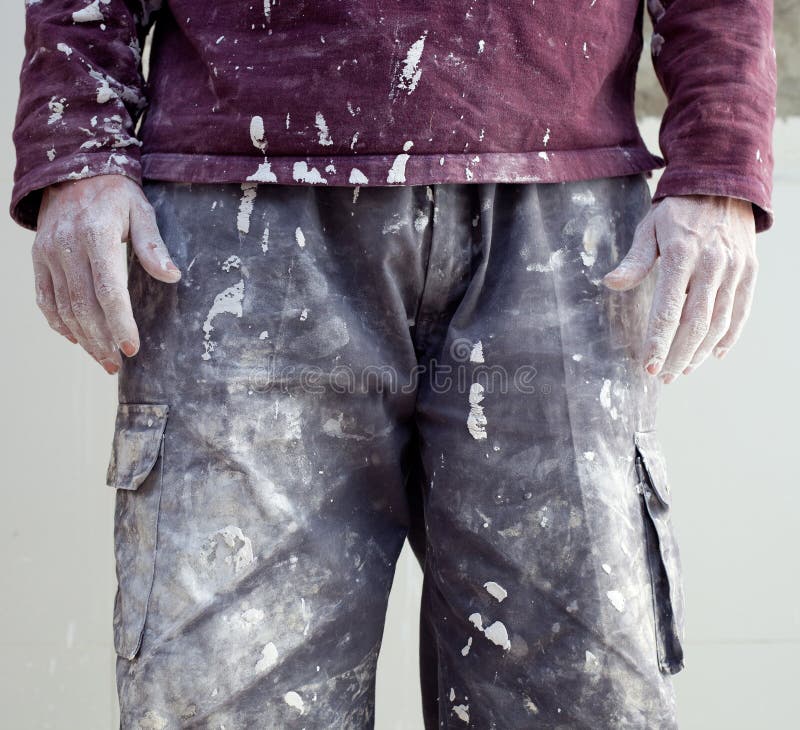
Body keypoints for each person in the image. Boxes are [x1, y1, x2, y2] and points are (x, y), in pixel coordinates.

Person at [10, 1, 776, 728]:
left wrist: (720, 155)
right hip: (240, 212)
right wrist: (76, 144)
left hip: (556, 208)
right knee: (223, 700)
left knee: (575, 699)